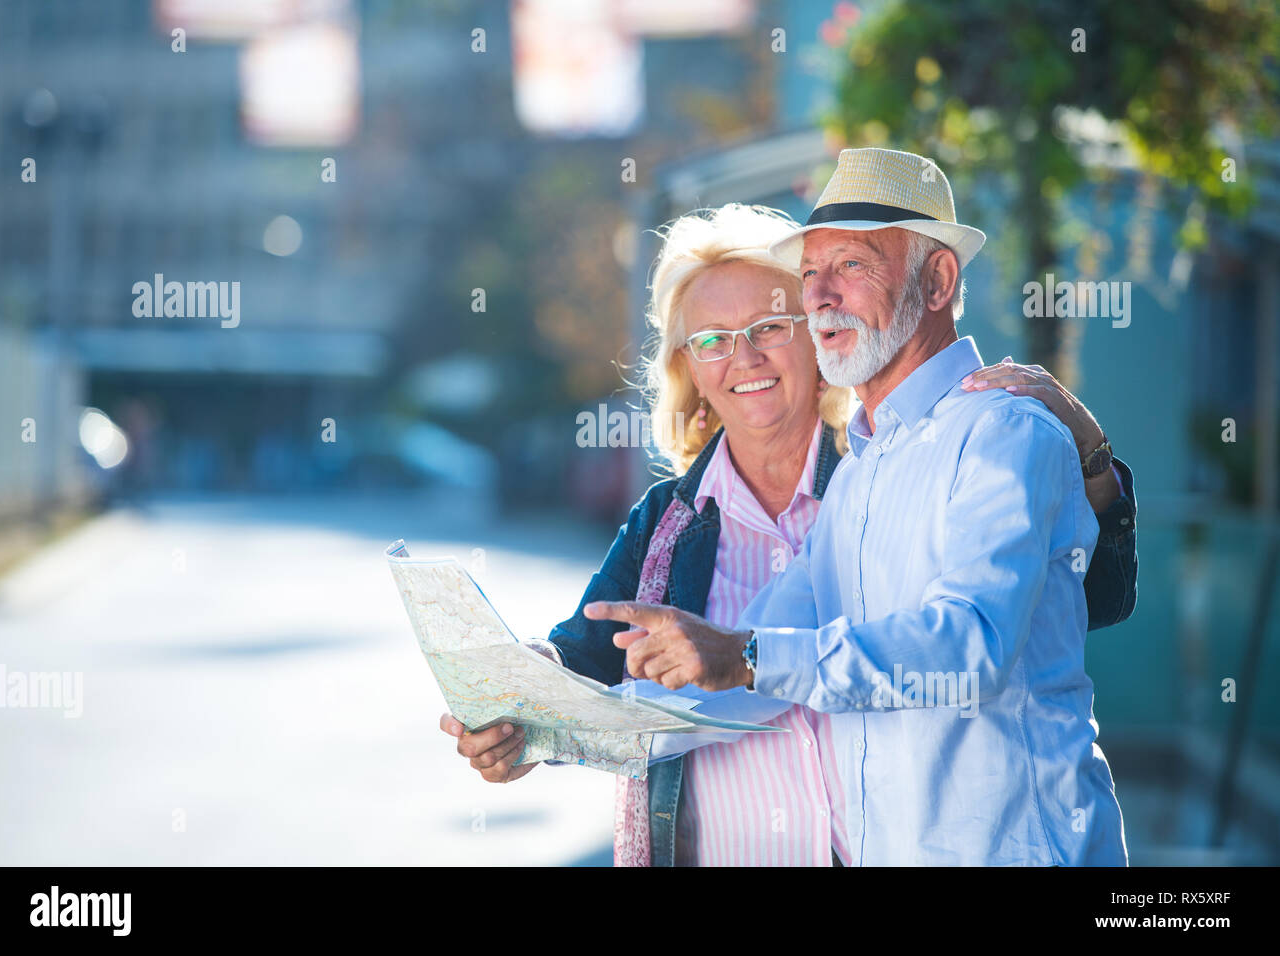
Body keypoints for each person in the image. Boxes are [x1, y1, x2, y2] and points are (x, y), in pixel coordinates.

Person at [442, 189, 1136, 865]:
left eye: (770, 326)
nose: (745, 357)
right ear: (690, 367)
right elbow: (704, 681)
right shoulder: (837, 480)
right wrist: (530, 718)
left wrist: (1095, 462)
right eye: (810, 276)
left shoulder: (976, 432)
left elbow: (1025, 624)